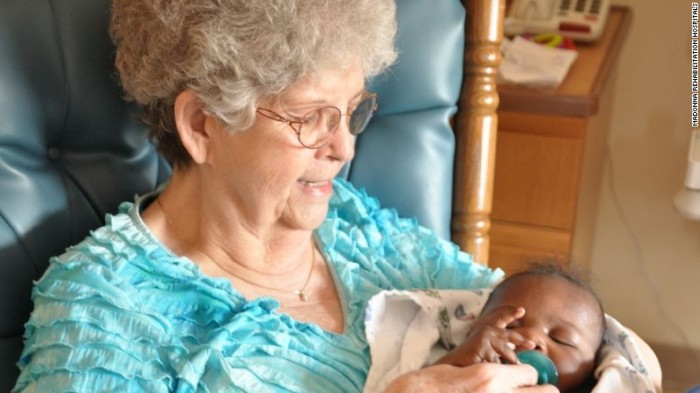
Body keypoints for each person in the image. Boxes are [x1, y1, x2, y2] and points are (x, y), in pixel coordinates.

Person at [12, 1, 557, 392]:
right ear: (202, 124)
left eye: (352, 111)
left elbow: (564, 336)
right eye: (309, 118)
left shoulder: (366, 232)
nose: (344, 148)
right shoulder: (101, 315)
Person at [434, 263, 606, 392]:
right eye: (510, 326)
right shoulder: (459, 371)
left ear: (592, 368)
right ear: (472, 331)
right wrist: (453, 364)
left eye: (562, 340)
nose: (531, 340)